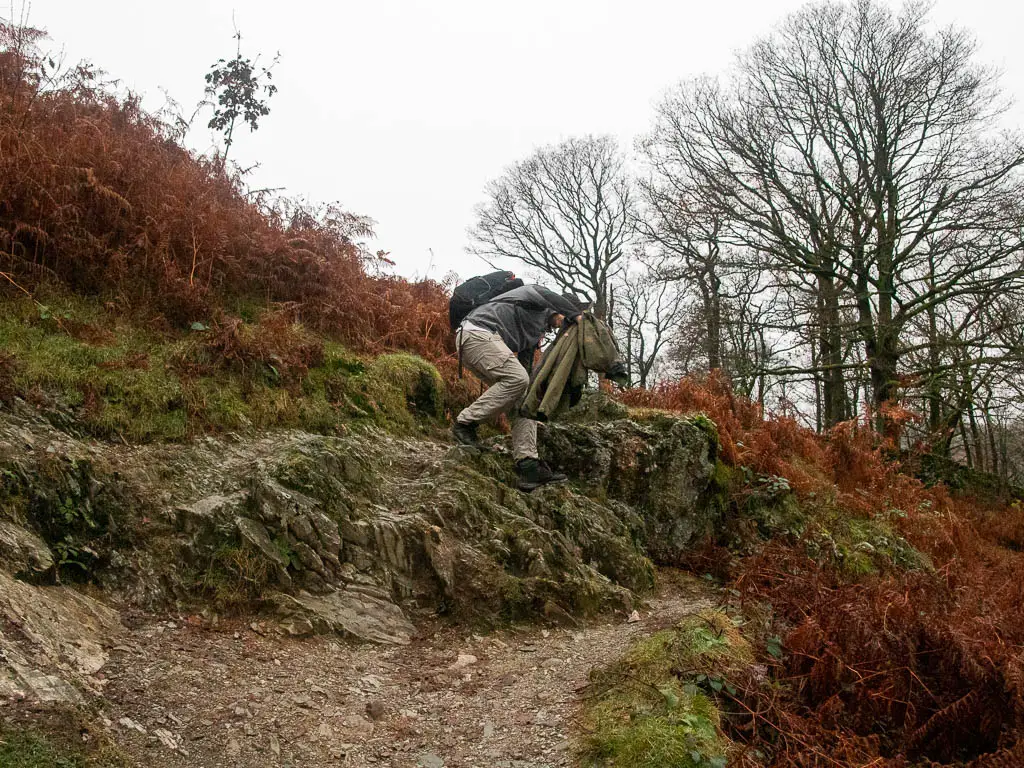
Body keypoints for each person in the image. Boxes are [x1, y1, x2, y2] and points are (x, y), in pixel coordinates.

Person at [451, 284, 585, 491]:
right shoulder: (535, 298)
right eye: (564, 317)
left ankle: (528, 464)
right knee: (518, 379)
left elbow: (526, 370)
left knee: (526, 394)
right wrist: (576, 316)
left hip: (482, 342)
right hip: (476, 333)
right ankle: (465, 423)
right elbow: (543, 293)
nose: (563, 324)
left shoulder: (536, 333)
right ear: (560, 308)